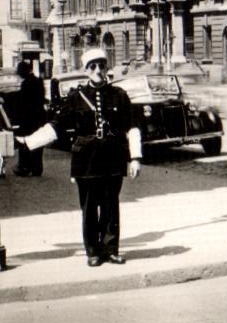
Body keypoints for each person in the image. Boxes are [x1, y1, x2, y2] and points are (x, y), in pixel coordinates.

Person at [19, 45, 142, 266]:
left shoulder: (119, 95)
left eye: (101, 66)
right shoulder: (76, 98)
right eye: (92, 67)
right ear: (86, 70)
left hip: (113, 159)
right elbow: (56, 126)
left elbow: (132, 127)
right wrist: (28, 142)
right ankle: (93, 252)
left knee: (111, 207)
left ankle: (111, 249)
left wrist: (135, 158)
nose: (98, 70)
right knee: (89, 208)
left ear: (107, 68)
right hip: (86, 162)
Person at [12, 60, 47, 177]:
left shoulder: (26, 84)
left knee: (25, 143)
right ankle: (37, 169)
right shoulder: (38, 81)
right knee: (38, 143)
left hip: (28, 119)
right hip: (39, 118)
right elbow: (42, 99)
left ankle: (24, 167)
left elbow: (22, 103)